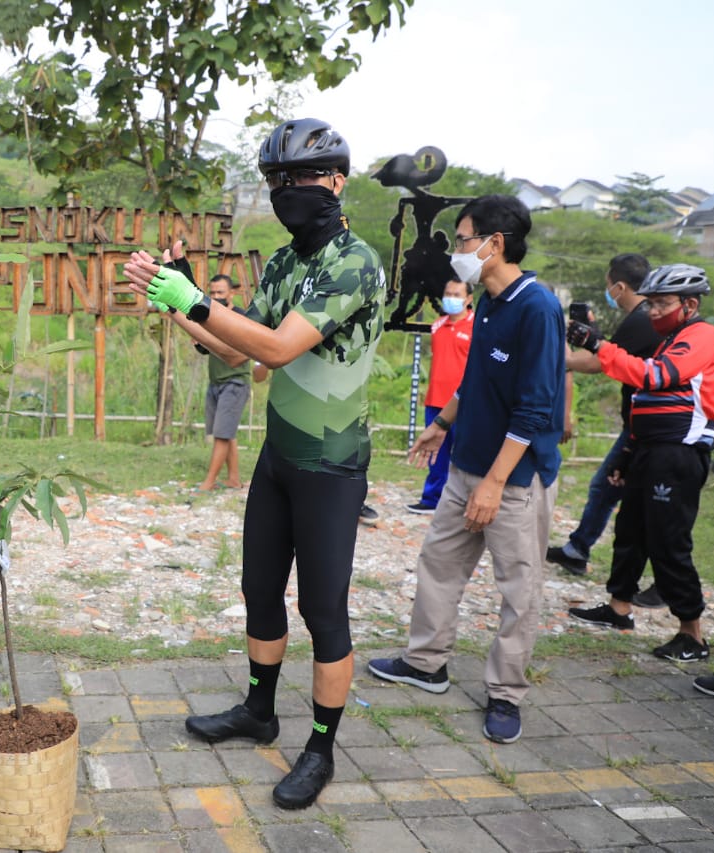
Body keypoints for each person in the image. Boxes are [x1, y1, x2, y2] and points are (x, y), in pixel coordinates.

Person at [126, 118, 386, 810]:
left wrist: (199, 300)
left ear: (336, 180)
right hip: (278, 459)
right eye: (276, 181)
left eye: (302, 177)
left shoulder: (353, 263)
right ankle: (259, 710)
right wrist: (173, 302)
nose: (288, 191)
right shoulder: (281, 264)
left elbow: (276, 349)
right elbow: (238, 354)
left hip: (331, 465)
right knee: (259, 589)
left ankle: (321, 748)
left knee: (322, 610)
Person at [369, 195, 565, 746]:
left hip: (514, 481)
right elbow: (476, 380)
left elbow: (535, 407)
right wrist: (442, 425)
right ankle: (427, 661)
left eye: (462, 240)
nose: (457, 251)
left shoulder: (537, 308)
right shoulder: (488, 303)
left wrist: (497, 484)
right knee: (439, 563)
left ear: (494, 244)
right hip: (466, 467)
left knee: (518, 589)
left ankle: (505, 694)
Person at [566, 264, 714, 663]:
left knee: (668, 542)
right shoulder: (671, 338)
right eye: (650, 303)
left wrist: (598, 344)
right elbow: (644, 400)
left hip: (678, 455)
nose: (653, 311)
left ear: (690, 304)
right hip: (648, 450)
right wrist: (626, 453)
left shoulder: (702, 336)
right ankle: (619, 609)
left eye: (662, 304)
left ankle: (692, 634)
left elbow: (655, 377)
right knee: (630, 530)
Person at [547, 255, 662, 604]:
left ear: (620, 287)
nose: (608, 292)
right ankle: (578, 549)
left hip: (649, 427)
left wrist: (560, 359)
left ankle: (661, 583)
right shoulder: (644, 319)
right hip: (640, 422)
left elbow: (600, 362)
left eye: (608, 285)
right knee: (609, 488)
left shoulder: (641, 320)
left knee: (647, 505)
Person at [407, 278, 474, 514]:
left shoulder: (477, 326)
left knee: (467, 453)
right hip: (436, 400)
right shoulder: (437, 325)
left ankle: (467, 501)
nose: (451, 298)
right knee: (435, 453)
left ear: (468, 299)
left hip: (464, 403)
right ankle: (432, 499)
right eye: (448, 293)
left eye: (457, 294)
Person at [195, 274, 252, 490]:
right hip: (216, 381)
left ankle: (208, 483)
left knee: (221, 433)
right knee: (227, 431)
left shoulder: (240, 317)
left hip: (235, 381)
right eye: (213, 292)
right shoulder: (208, 316)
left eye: (221, 292)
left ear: (231, 293)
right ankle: (234, 478)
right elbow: (203, 348)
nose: (216, 296)